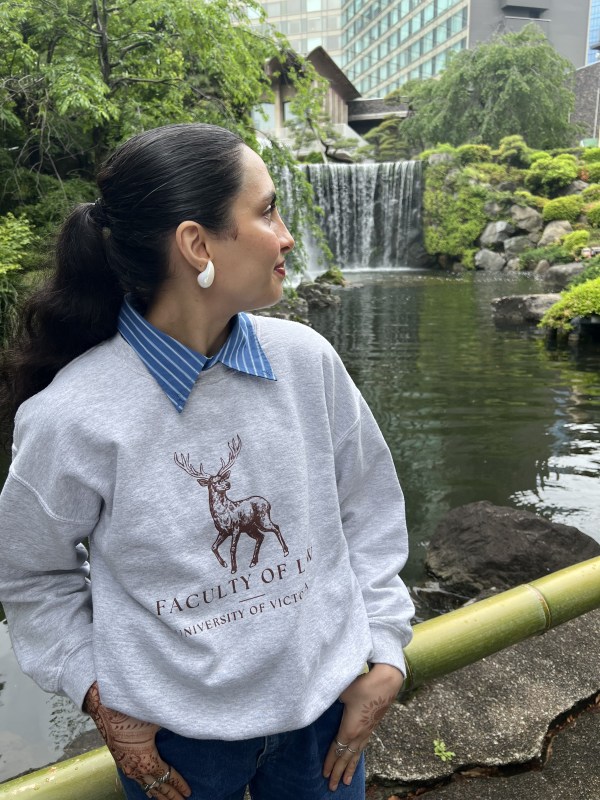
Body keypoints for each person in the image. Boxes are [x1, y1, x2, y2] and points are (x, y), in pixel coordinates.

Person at [0, 123, 414, 800]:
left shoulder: (307, 363)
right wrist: (97, 692)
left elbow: (369, 510)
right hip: (181, 744)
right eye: (267, 211)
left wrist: (386, 651)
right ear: (197, 244)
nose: (286, 237)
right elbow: (32, 578)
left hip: (326, 719)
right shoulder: (71, 417)